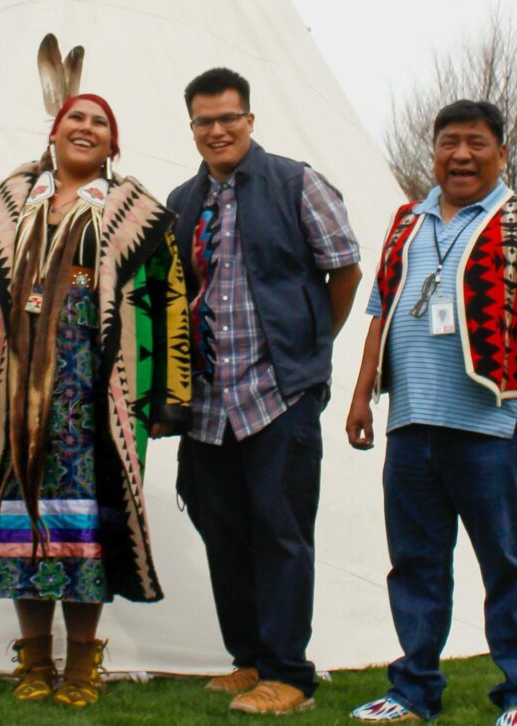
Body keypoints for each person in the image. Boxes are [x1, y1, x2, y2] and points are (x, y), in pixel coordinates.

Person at [345, 100, 517, 726]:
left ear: (500, 153)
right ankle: (413, 691)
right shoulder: (405, 222)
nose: (461, 155)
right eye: (449, 142)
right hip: (410, 427)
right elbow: (381, 313)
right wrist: (362, 394)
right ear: (434, 152)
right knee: (415, 566)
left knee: (504, 564)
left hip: (490, 428)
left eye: (476, 143)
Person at [0, 92, 191, 708]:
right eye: (75, 119)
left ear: (114, 143)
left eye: (100, 123)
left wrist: (167, 394)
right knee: (18, 522)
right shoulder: (8, 203)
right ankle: (34, 660)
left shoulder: (133, 212)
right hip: (12, 395)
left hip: (95, 393)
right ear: (54, 132)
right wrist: (4, 332)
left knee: (87, 524)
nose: (86, 129)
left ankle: (83, 664)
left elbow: (168, 297)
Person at [167, 67, 363, 716]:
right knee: (222, 530)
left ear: (249, 120)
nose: (217, 130)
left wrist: (310, 347)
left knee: (281, 533)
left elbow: (345, 269)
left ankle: (289, 675)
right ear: (192, 127)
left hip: (278, 394)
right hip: (207, 403)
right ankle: (249, 658)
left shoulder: (297, 183)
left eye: (229, 117)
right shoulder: (182, 201)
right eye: (204, 121)